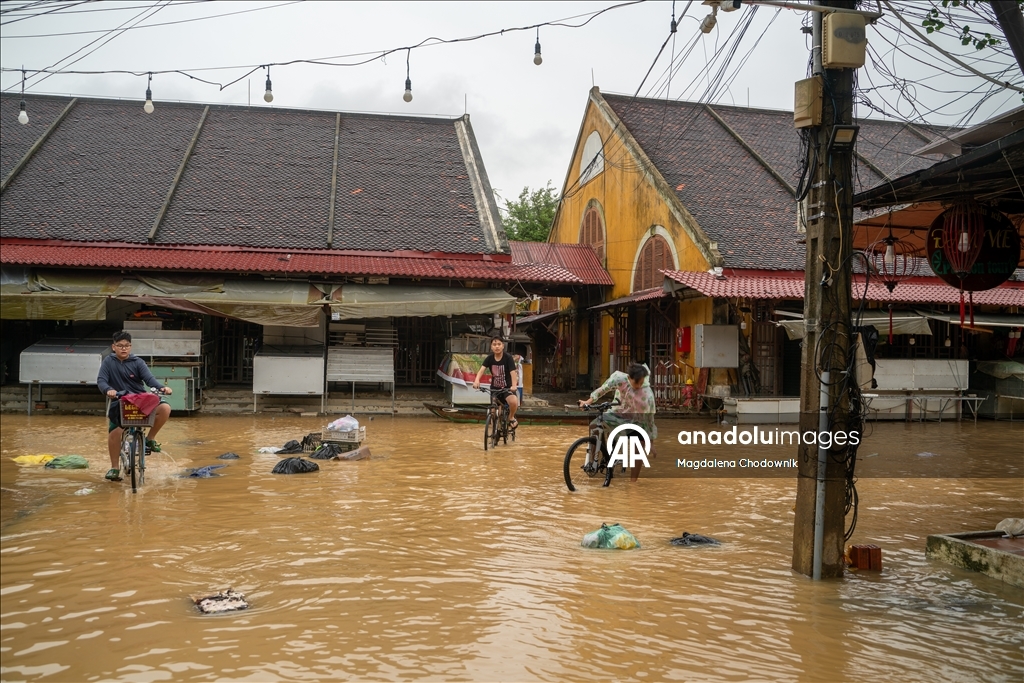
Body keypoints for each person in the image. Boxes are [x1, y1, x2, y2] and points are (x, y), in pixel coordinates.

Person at [97, 331, 172, 482]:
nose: (123, 349)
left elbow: (149, 379)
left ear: (130, 347)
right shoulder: (108, 362)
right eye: (120, 346)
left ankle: (150, 439)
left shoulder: (138, 362)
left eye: (127, 346)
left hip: (140, 401)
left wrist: (162, 388)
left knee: (165, 408)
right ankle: (114, 468)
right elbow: (101, 380)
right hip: (120, 402)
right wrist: (108, 390)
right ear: (114, 347)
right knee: (115, 432)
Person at [579, 363, 656, 482]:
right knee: (594, 425)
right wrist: (588, 402)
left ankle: (633, 484)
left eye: (641, 383)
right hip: (617, 413)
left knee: (639, 444)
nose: (639, 386)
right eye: (636, 383)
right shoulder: (619, 378)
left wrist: (651, 441)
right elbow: (603, 389)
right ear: (629, 378)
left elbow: (650, 419)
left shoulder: (647, 394)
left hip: (636, 420)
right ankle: (592, 461)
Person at [472, 335, 520, 430]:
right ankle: (495, 432)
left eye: (499, 344)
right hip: (495, 388)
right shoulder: (489, 358)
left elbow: (512, 372)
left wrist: (514, 385)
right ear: (491, 346)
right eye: (494, 344)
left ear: (503, 346)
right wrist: (476, 381)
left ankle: (511, 417)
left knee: (514, 402)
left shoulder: (508, 358)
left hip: (507, 388)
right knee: (493, 412)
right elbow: (481, 370)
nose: (497, 346)